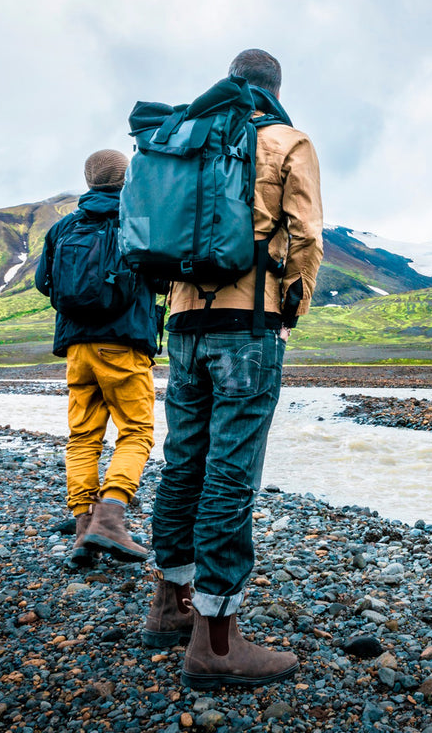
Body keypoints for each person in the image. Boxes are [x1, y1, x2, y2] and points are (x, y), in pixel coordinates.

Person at [143, 49, 324, 689]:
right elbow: (304, 235)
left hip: (185, 325)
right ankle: (216, 643)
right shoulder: (285, 139)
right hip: (248, 327)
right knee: (230, 476)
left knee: (184, 462)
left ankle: (169, 604)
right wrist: (289, 307)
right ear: (276, 88)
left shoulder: (187, 138)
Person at [35, 149, 159, 567]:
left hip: (76, 348)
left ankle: (84, 531)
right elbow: (159, 280)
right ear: (126, 180)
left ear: (88, 182)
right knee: (136, 432)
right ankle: (112, 516)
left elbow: (43, 283)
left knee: (83, 437)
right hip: (124, 345)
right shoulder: (136, 222)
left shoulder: (62, 227)